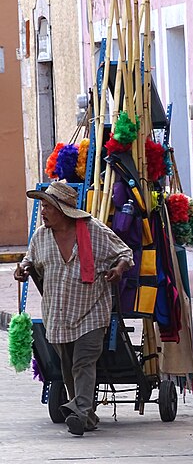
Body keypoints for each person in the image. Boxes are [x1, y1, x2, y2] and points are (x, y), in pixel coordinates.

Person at [14, 181, 134, 436]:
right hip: (57, 314)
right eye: (43, 205)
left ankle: (78, 412)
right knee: (68, 367)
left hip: (92, 310)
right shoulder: (41, 237)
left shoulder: (93, 231)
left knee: (83, 362)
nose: (43, 211)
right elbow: (29, 260)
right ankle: (86, 415)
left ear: (63, 210)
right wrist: (22, 270)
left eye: (47, 206)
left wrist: (118, 269)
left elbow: (124, 253)